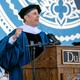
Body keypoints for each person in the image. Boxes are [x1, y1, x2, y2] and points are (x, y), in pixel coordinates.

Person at [0, 4, 49, 80]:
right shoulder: (19, 33)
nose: (38, 16)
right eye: (34, 14)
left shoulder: (42, 35)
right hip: (22, 74)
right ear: (26, 17)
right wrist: (14, 38)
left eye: (38, 14)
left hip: (41, 74)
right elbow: (6, 50)